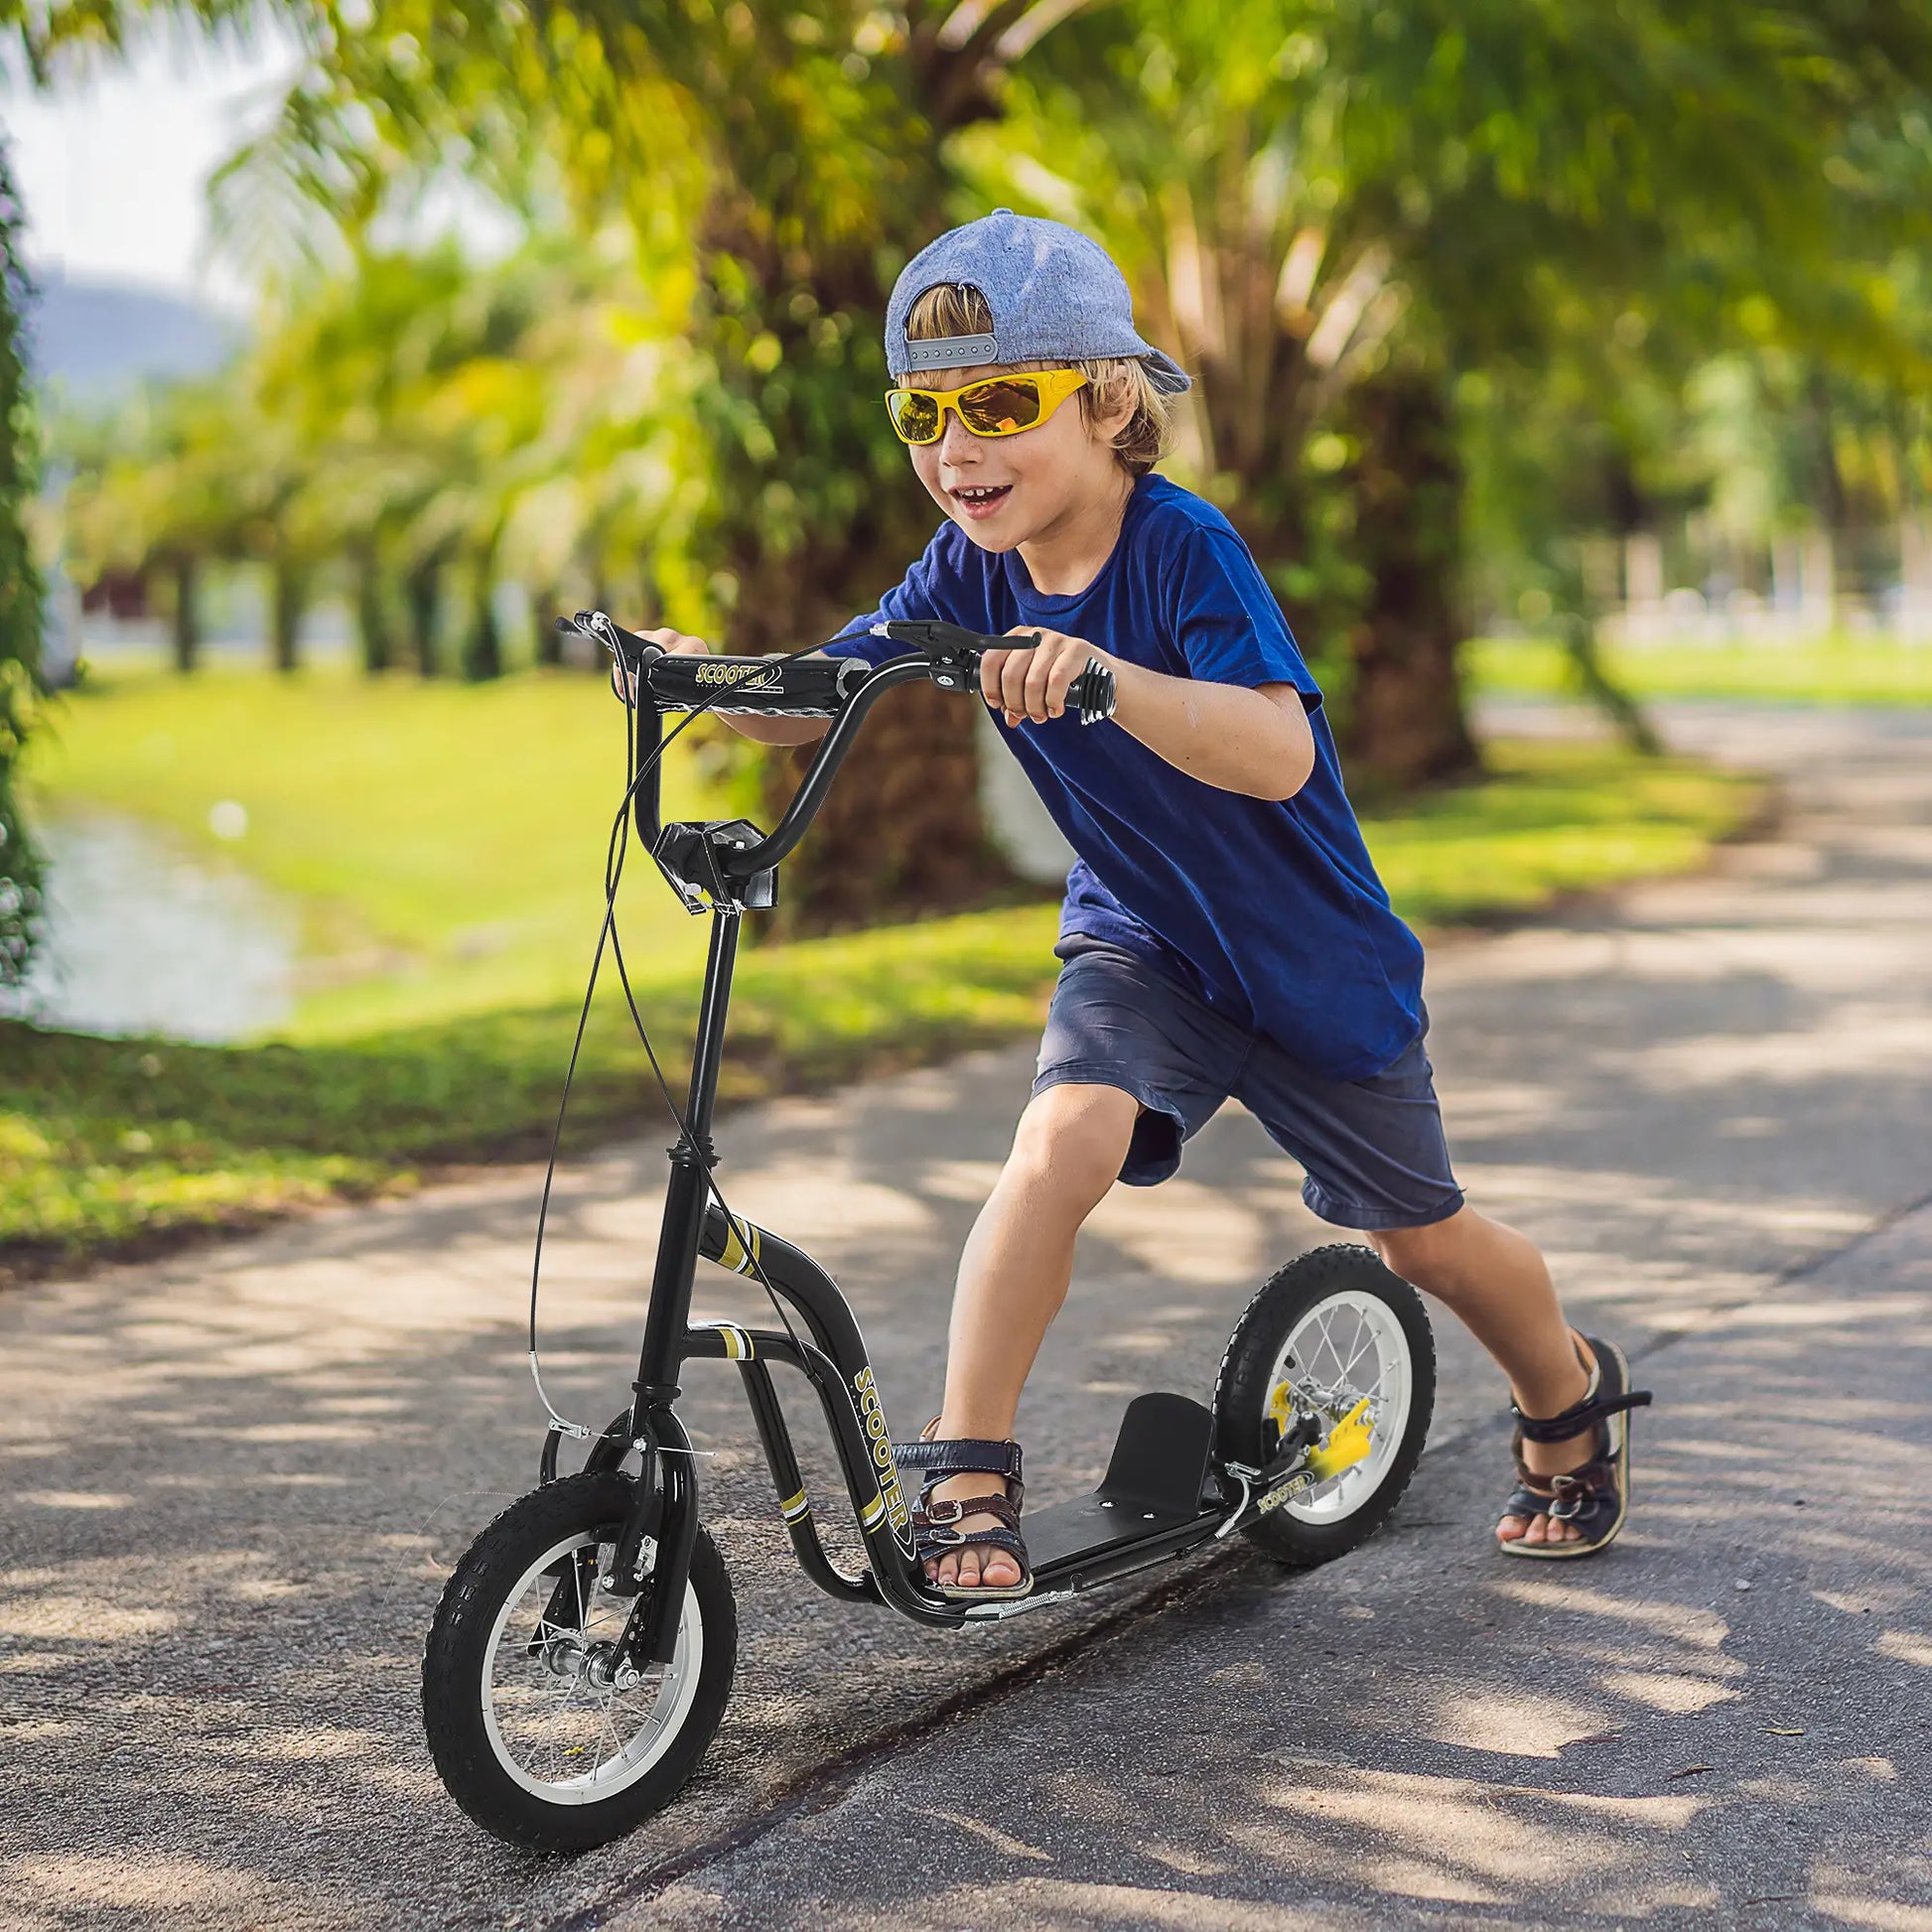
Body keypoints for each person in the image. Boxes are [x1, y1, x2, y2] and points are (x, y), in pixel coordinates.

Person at [631, 209, 1649, 1598]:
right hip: (1142, 938)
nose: (956, 447)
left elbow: (1277, 750)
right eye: (922, 413)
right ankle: (967, 1472)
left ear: (1109, 404)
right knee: (1061, 1139)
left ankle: (1568, 1393)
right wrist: (702, 676)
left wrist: (1105, 681)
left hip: (1307, 960)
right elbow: (820, 696)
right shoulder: (968, 569)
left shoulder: (1181, 548)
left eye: (1000, 405)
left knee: (1420, 1239)